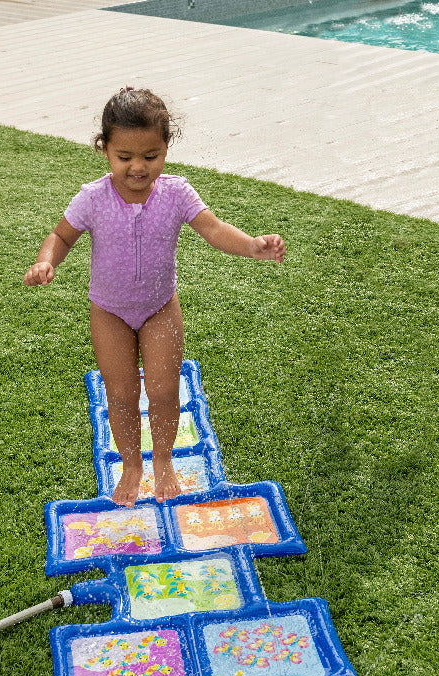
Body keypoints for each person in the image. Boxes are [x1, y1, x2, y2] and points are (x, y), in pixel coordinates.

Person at [24, 86, 285, 507]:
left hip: (160, 307)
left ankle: (162, 459)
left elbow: (214, 229)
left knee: (164, 391)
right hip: (109, 311)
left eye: (151, 156)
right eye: (124, 157)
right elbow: (61, 235)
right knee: (121, 395)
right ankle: (132, 464)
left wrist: (253, 246)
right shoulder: (93, 198)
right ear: (105, 149)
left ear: (166, 148)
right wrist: (45, 261)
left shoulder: (176, 193)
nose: (138, 167)